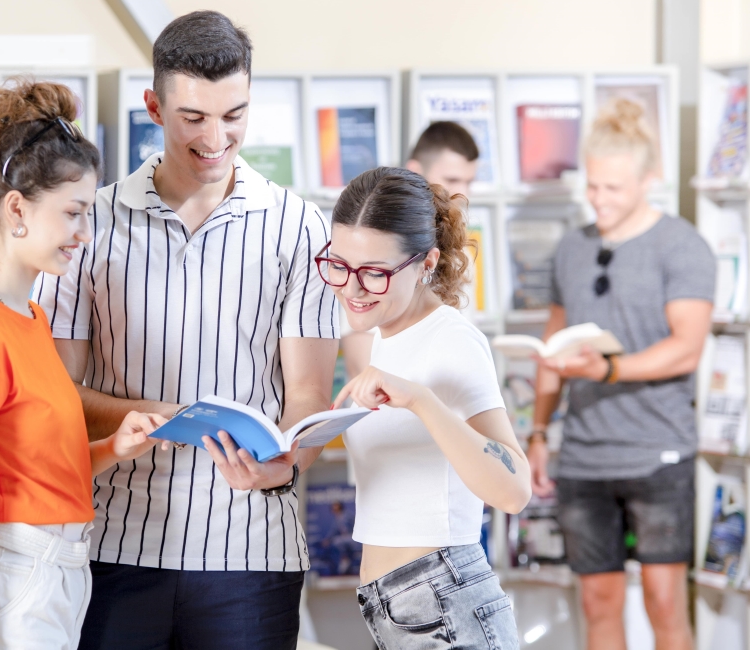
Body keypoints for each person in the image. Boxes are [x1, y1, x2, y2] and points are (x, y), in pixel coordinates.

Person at [37, 11, 338, 650]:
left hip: (254, 553)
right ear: (153, 105)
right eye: (193, 118)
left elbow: (309, 398)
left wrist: (285, 467)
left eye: (234, 115)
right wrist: (161, 414)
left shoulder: (300, 228)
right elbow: (58, 394)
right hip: (117, 545)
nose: (216, 138)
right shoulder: (89, 223)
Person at [0, 80, 167, 650]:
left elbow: (32, 477)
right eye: (74, 213)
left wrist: (112, 450)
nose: (83, 233)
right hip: (8, 586)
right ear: (17, 209)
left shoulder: (27, 317)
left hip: (50, 578)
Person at [526, 99, 715, 650]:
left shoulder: (682, 245)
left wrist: (606, 369)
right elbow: (552, 347)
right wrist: (539, 433)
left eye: (613, 188)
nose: (598, 199)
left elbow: (686, 350)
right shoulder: (571, 248)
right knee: (597, 603)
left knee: (662, 601)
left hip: (657, 454)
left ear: (649, 179)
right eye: (592, 186)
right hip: (584, 457)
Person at [325, 166, 530, 649]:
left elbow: (515, 489)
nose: (352, 288)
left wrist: (421, 400)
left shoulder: (453, 341)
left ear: (426, 262)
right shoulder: (378, 339)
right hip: (394, 609)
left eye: (375, 273)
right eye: (338, 265)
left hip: (444, 602)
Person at [341, 121, 481, 380]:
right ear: (416, 170)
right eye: (452, 179)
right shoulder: (370, 241)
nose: (463, 193)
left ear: (430, 263)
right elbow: (361, 361)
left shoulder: (463, 258)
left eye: (469, 181)